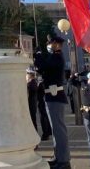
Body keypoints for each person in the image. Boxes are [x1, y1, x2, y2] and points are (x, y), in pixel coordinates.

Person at [34, 35, 71, 169]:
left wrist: (38, 55)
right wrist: (38, 57)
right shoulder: (53, 57)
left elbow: (44, 66)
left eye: (50, 43)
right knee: (55, 130)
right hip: (51, 96)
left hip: (55, 97)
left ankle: (64, 161)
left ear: (56, 44)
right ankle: (58, 157)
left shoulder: (57, 57)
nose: (48, 45)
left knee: (59, 130)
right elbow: (42, 68)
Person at [36, 77, 52, 141]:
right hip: (45, 101)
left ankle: (46, 134)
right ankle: (48, 132)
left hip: (42, 102)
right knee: (46, 117)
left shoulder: (41, 84)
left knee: (43, 118)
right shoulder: (46, 82)